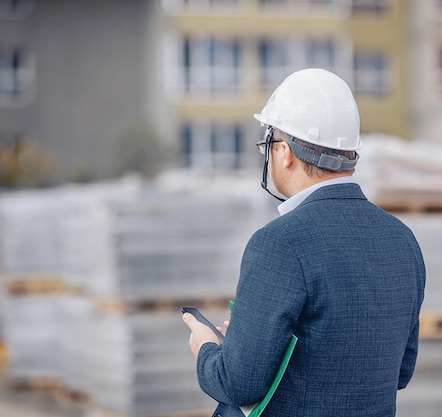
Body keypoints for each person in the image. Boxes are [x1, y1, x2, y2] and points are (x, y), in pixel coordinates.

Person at [182, 68, 425, 417]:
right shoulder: (403, 241)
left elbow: (237, 384)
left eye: (268, 144)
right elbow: (400, 372)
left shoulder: (278, 244)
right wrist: (252, 340)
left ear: (285, 153)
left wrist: (206, 349)